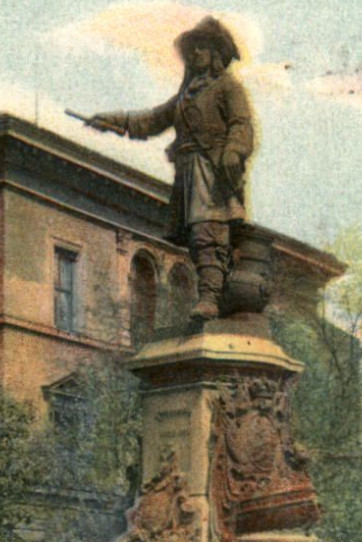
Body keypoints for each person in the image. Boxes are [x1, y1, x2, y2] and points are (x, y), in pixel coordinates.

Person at [86, 16, 254, 321]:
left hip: (213, 171)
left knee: (209, 231)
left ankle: (211, 297)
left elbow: (242, 126)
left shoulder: (228, 88)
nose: (195, 54)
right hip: (188, 171)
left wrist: (233, 152)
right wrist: (110, 121)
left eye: (202, 48)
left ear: (216, 53)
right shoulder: (185, 96)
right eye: (193, 49)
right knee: (195, 236)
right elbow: (151, 120)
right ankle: (211, 292)